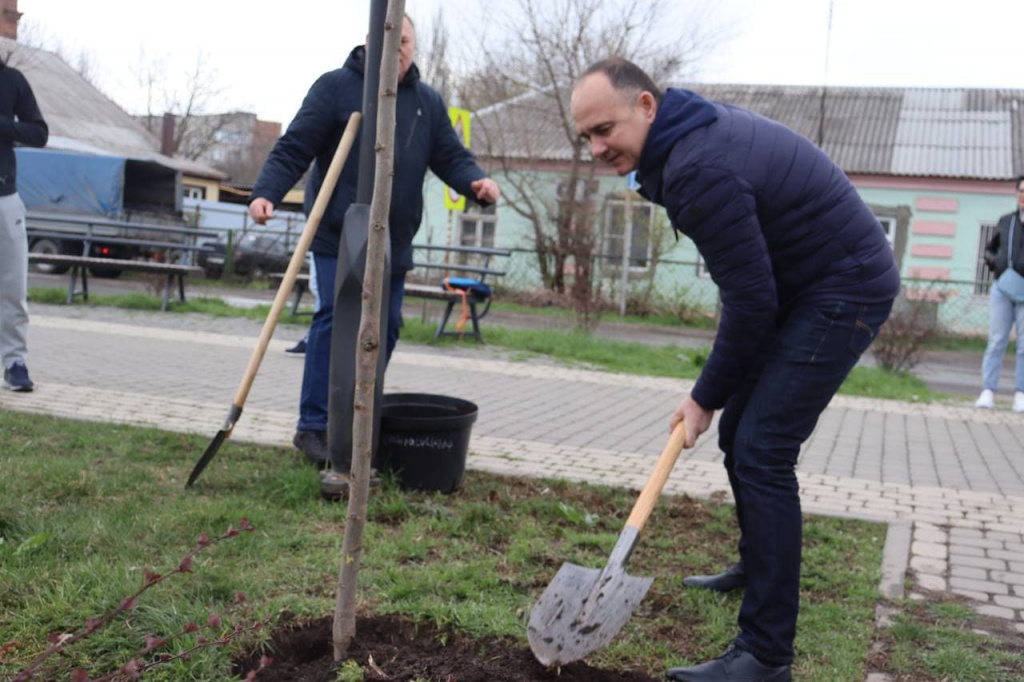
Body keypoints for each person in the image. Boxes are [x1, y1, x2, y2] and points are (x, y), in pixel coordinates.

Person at [571, 59, 899, 682]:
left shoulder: (698, 169)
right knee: (740, 433)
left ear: (646, 106)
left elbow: (751, 304)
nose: (596, 147)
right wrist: (716, 399)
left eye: (604, 129)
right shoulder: (683, 144)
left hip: (843, 286)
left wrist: (703, 395)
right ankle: (760, 561)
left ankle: (766, 654)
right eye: (586, 136)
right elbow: (751, 291)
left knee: (762, 450)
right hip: (803, 285)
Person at [249, 14, 499, 468]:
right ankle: (315, 426)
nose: (397, 48)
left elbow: (451, 157)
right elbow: (294, 146)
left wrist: (476, 183)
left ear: (414, 47)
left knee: (386, 330)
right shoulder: (337, 88)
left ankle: (355, 417)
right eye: (389, 40)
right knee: (333, 319)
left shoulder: (426, 102)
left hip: (393, 242)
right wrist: (266, 191)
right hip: (336, 235)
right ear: (370, 42)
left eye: (405, 41)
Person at [1, 55, 48, 392]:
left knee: (13, 289)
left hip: (5, 199)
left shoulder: (12, 80)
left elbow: (38, 132)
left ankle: (15, 362)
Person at [975, 176, 1024, 413]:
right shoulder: (1006, 222)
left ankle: (1021, 393)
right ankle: (988, 391)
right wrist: (994, 262)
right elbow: (990, 248)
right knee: (996, 341)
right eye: (1022, 191)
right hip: (1002, 289)